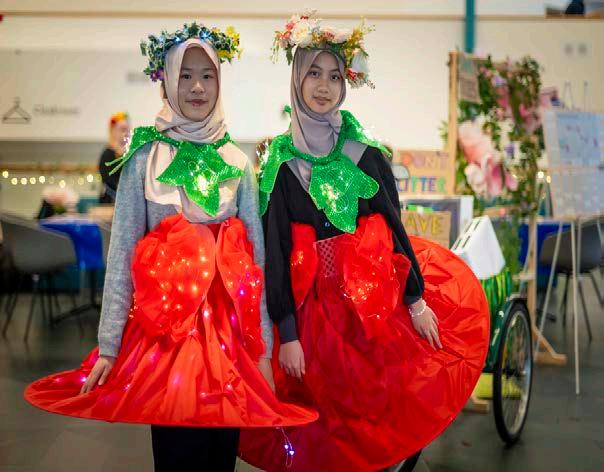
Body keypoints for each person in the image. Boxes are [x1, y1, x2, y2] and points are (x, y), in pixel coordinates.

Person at [25, 22, 316, 472]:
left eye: (207, 75)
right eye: (186, 75)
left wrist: (261, 353)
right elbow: (122, 254)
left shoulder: (236, 162)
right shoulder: (144, 158)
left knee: (221, 453)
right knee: (176, 451)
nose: (197, 87)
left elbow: (254, 264)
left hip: (228, 341)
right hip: (165, 339)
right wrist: (109, 345)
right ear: (166, 81)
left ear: (220, 82)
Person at [239, 12, 490, 471]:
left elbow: (394, 232)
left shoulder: (367, 153)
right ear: (296, 78)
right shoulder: (277, 164)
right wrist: (287, 336)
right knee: (326, 429)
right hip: (313, 319)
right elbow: (274, 254)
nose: (324, 86)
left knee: (375, 417)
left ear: (346, 83)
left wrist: (416, 301)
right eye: (313, 73)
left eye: (335, 76)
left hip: (374, 311)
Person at [98, 112, 130, 203]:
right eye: (123, 130)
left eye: (128, 130)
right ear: (113, 131)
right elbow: (111, 182)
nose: (126, 133)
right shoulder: (107, 155)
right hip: (111, 202)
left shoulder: (130, 154)